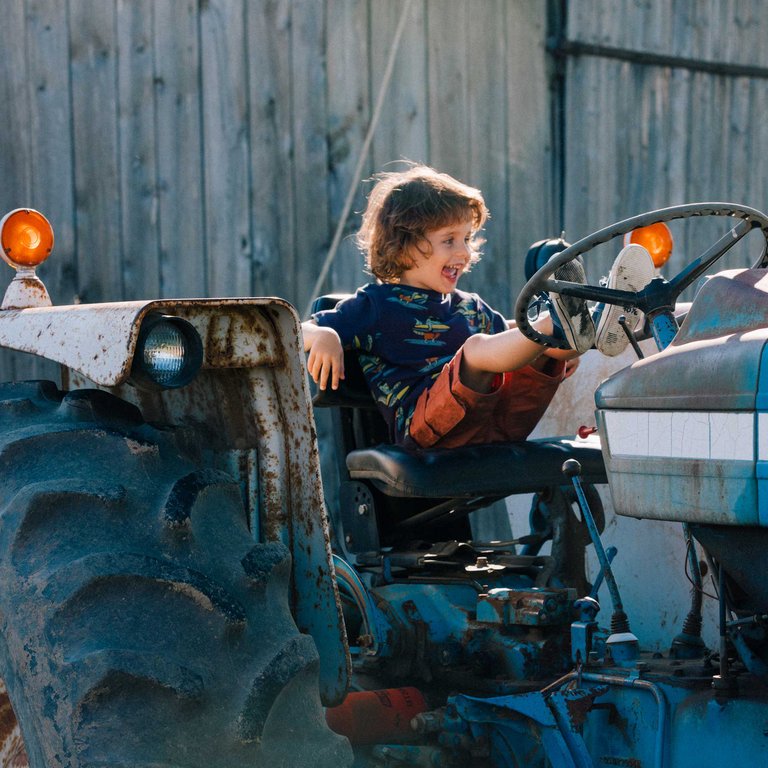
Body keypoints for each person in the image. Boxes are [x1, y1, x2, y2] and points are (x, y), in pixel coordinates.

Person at [302, 165, 652, 449]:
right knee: (478, 350)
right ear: (403, 246)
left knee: (539, 348)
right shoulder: (375, 305)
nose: (464, 252)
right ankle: (567, 321)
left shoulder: (470, 307)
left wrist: (552, 349)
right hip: (426, 430)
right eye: (449, 240)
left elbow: (514, 340)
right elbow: (296, 330)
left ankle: (586, 325)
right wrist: (325, 334)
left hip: (493, 422)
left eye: (467, 239)